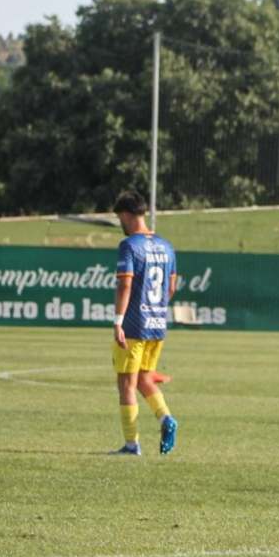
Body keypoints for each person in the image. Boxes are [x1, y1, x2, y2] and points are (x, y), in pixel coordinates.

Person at [110, 191, 179, 457]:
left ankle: (131, 445)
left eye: (120, 218)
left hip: (134, 325)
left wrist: (118, 321)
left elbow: (125, 283)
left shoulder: (129, 246)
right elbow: (171, 287)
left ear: (127, 215)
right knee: (143, 378)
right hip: (157, 324)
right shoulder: (166, 245)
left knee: (126, 384)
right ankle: (165, 419)